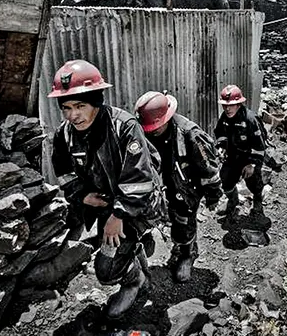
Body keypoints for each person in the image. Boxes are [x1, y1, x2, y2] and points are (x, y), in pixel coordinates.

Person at [49, 59, 160, 320]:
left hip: (136, 206)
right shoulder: (64, 135)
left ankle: (134, 281)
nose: (72, 115)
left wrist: (117, 216)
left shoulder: (124, 127)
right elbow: (64, 174)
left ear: (96, 101)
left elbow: (140, 181)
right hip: (103, 207)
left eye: (80, 106)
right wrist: (82, 196)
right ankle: (136, 264)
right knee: (114, 251)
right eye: (66, 107)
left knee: (105, 271)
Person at [135, 91, 222, 283]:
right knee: (170, 219)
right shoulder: (145, 130)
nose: (151, 131)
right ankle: (180, 244)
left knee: (183, 221)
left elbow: (209, 170)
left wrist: (213, 196)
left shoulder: (191, 135)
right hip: (164, 184)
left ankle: (187, 254)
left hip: (186, 188)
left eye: (154, 128)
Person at [214, 84, 268, 222]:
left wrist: (252, 164)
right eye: (225, 105)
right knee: (225, 180)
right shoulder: (225, 117)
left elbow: (260, 146)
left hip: (249, 157)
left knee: (254, 182)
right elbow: (220, 132)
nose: (227, 108)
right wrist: (222, 146)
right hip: (232, 156)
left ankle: (257, 204)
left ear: (239, 104)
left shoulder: (250, 119)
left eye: (231, 105)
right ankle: (233, 201)